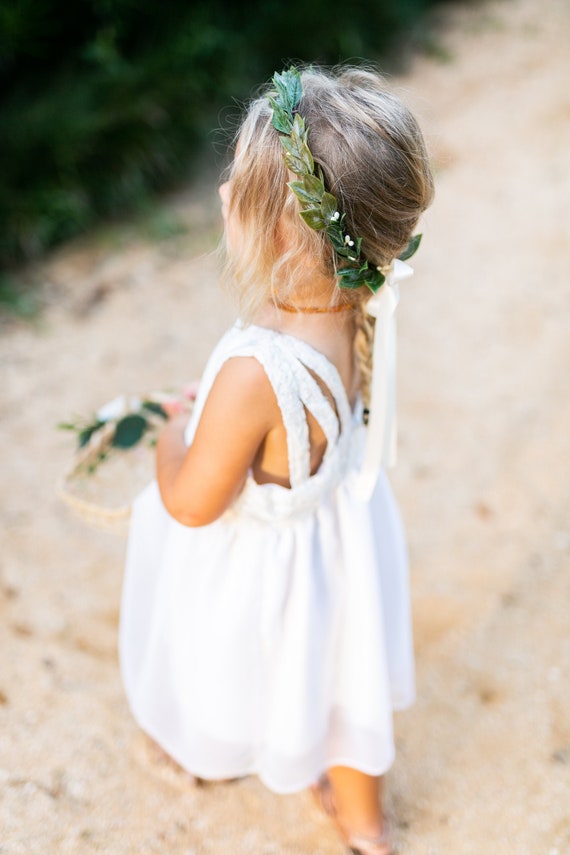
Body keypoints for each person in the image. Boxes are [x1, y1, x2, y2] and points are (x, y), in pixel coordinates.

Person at [119, 64, 434, 855]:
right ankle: (365, 822)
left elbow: (192, 502)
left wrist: (168, 430)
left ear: (283, 231)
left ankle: (212, 743)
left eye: (239, 187)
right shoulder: (358, 292)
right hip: (344, 543)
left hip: (273, 569)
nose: (223, 193)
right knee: (345, 682)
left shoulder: (255, 369)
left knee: (257, 666)